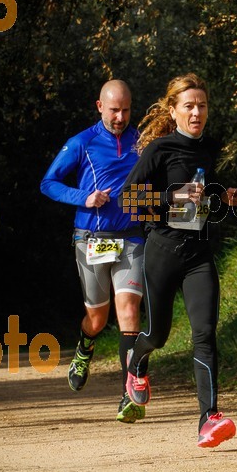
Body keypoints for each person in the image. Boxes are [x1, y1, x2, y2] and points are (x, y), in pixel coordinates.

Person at [121, 73, 237, 448]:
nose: (197, 112)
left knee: (205, 334)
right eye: (189, 106)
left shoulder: (210, 148)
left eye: (202, 106)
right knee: (157, 335)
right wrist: (171, 197)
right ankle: (136, 365)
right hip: (162, 253)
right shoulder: (159, 150)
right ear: (173, 110)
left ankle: (208, 418)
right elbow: (128, 199)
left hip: (198, 257)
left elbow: (205, 194)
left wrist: (227, 197)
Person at [41, 79, 145, 424]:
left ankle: (129, 391)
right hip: (92, 238)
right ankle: (85, 348)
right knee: (98, 320)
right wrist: (82, 198)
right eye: (114, 110)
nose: (120, 117)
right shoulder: (81, 143)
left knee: (129, 310)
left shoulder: (142, 141)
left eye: (126, 110)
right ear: (99, 106)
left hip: (131, 237)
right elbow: (48, 183)